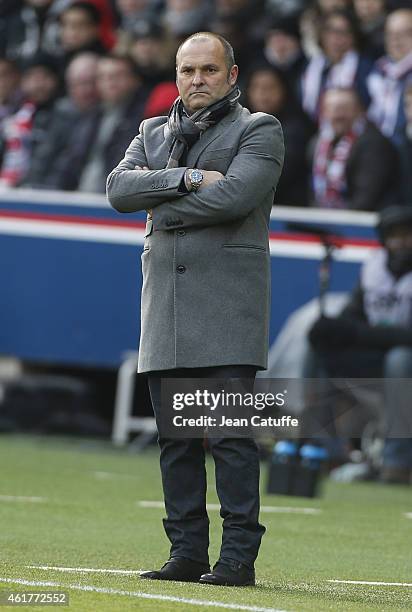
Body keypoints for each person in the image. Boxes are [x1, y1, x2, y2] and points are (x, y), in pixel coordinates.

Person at [107, 31, 284, 586]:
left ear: (232, 76)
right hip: (166, 310)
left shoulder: (259, 129)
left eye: (209, 70)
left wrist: (160, 207)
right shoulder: (151, 131)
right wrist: (182, 178)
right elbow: (118, 190)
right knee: (175, 442)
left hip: (228, 307)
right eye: (188, 71)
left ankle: (237, 560)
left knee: (230, 439)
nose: (197, 80)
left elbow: (234, 197)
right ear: (176, 75)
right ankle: (185, 553)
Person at [307, 205, 412, 484]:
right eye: (395, 236)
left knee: (400, 359)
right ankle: (325, 451)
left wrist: (358, 333)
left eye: (408, 235)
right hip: (381, 351)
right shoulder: (374, 268)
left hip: (403, 357)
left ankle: (397, 460)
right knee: (323, 348)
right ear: (384, 240)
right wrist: (336, 328)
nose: (402, 242)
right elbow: (353, 317)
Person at [311, 86, 399, 210]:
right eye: (331, 108)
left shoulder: (374, 144)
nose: (337, 114)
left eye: (344, 108)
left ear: (359, 110)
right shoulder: (317, 143)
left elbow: (365, 199)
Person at [301, 9, 373, 120]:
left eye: (344, 32)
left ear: (353, 37)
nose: (337, 38)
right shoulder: (311, 66)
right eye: (331, 31)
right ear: (321, 34)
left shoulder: (365, 68)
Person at [367, 8, 412, 145]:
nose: (396, 40)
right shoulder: (378, 70)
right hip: (381, 146)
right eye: (390, 34)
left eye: (405, 33)